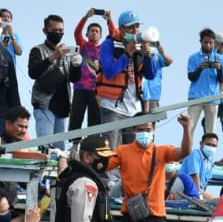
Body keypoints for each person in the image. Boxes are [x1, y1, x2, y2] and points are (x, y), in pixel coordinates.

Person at [97, 10, 163, 148]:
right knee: (110, 148)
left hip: (134, 109)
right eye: (130, 27)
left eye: (137, 26)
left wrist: (148, 56)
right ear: (121, 29)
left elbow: (150, 75)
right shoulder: (109, 44)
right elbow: (109, 72)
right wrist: (127, 54)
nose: (135, 30)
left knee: (133, 151)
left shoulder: (140, 46)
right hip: (112, 106)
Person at [28, 14, 83, 139]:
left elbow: (74, 79)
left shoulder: (67, 51)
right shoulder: (38, 50)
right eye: (54, 30)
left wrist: (77, 65)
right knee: (45, 144)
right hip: (44, 104)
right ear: (45, 31)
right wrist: (53, 57)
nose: (58, 33)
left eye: (61, 30)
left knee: (60, 146)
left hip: (62, 106)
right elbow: (33, 73)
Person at [69, 12, 106, 131]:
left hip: (96, 89)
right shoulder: (83, 45)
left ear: (100, 35)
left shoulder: (104, 49)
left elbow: (114, 36)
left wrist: (109, 20)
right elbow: (77, 32)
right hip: (80, 87)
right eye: (92, 30)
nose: (94, 33)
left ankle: (93, 141)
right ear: (87, 33)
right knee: (76, 118)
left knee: (95, 120)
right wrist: (85, 17)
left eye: (97, 31)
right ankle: (74, 140)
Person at [186, 28, 223, 134]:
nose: (208, 45)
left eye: (211, 43)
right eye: (205, 42)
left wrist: (220, 69)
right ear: (201, 41)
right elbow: (191, 77)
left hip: (213, 98)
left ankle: (209, 145)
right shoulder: (193, 58)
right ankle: (187, 145)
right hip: (196, 97)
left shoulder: (220, 58)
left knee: (211, 131)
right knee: (189, 128)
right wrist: (200, 68)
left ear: (214, 43)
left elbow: (221, 79)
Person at [173, 132, 218, 200]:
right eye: (208, 144)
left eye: (214, 145)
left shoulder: (210, 159)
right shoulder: (194, 154)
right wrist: (198, 197)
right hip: (185, 189)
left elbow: (206, 181)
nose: (211, 147)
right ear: (201, 144)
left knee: (216, 201)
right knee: (215, 200)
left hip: (198, 190)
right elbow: (195, 176)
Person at [141, 27, 174, 112]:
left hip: (153, 94)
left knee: (151, 120)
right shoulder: (137, 52)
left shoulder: (156, 53)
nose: (147, 44)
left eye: (149, 43)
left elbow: (170, 61)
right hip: (139, 93)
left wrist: (163, 53)